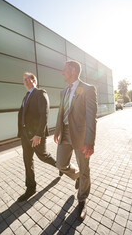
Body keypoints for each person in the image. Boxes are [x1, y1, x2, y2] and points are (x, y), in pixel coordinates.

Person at [54, 60, 97, 220]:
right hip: (64, 133)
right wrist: (57, 130)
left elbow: (91, 117)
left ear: (72, 70)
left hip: (80, 135)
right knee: (60, 164)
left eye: (64, 70)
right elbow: (61, 112)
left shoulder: (88, 89)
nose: (62, 72)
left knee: (84, 168)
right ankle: (77, 176)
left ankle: (82, 199)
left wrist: (90, 141)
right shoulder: (63, 91)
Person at [17, 72, 57, 202]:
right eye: (24, 80)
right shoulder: (25, 96)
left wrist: (39, 134)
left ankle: (62, 167)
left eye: (27, 79)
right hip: (25, 135)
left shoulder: (40, 93)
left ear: (34, 80)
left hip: (35, 135)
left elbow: (44, 114)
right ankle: (31, 188)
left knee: (43, 156)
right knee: (27, 161)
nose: (25, 82)